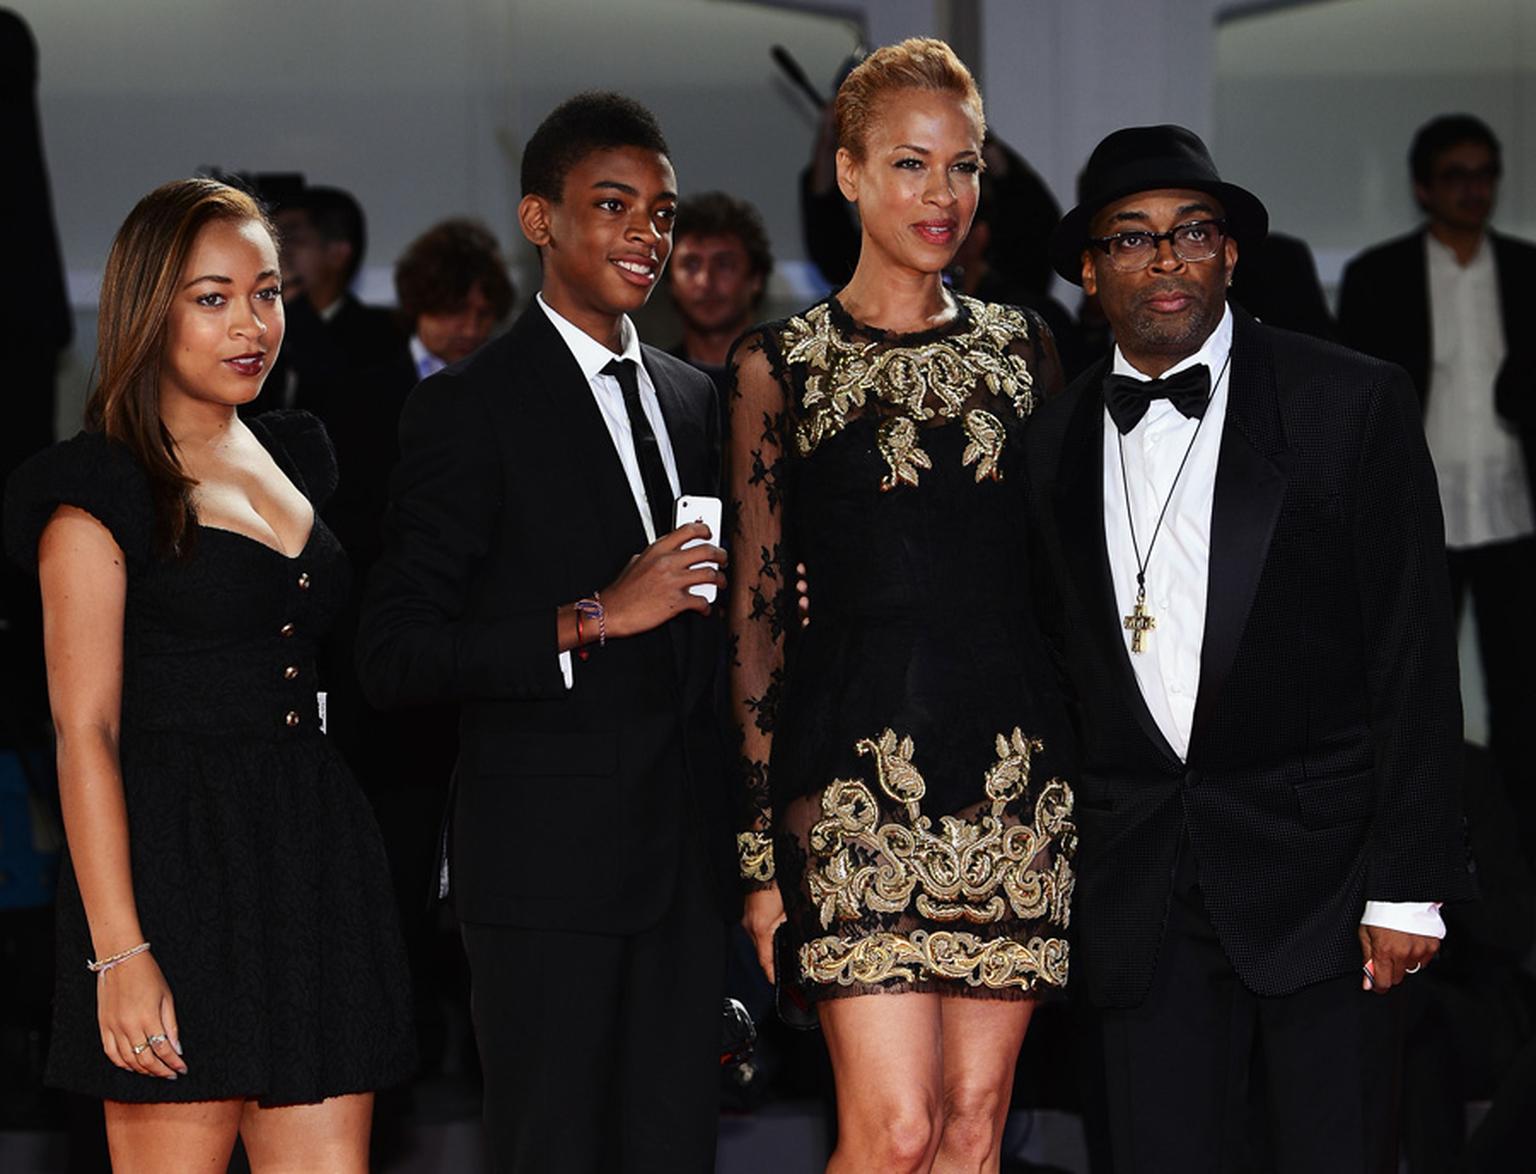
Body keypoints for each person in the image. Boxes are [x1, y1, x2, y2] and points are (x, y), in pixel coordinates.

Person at [1025, 124, 1473, 1172]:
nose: (1166, 258)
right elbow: (1051, 661)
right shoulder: (1051, 440)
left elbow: (1413, 652)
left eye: (1192, 232)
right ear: (1091, 273)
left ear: (1231, 254)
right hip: (1139, 896)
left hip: (1328, 883)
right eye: (1131, 238)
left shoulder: (1348, 402)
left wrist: (1410, 884)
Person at [2, 178, 414, 1172]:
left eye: (268, 292)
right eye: (213, 296)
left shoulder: (293, 452)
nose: (252, 323)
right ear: (152, 307)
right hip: (171, 871)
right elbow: (85, 734)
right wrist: (121, 952)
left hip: (312, 857)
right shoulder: (98, 489)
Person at [356, 92, 733, 1173]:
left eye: (661, 212)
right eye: (613, 205)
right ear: (539, 221)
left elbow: (705, 631)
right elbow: (394, 652)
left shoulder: (695, 400)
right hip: (543, 877)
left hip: (686, 872)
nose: (645, 235)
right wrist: (594, 615)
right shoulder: (468, 407)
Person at [730, 39, 1075, 1173]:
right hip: (851, 794)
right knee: (896, 1132)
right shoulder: (781, 362)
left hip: (1016, 786)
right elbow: (759, 616)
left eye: (964, 167)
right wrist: (755, 849)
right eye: (914, 165)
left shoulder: (1026, 349)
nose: (944, 196)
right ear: (849, 173)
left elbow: (1058, 576)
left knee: (974, 1132)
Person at [1338, 113, 1536, 850]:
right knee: (1411, 696)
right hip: (1420, 512)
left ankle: (1516, 870)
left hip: (1516, 512)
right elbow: (1354, 405)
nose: (1473, 190)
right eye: (1456, 175)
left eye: (1485, 174)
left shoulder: (1526, 269)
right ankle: (1419, 855)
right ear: (1424, 188)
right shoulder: (1378, 275)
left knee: (1522, 701)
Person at [668, 191, 773, 378]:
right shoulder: (648, 385)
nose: (705, 281)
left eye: (724, 264)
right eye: (691, 265)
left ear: (756, 279)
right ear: (670, 281)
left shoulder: (795, 383)